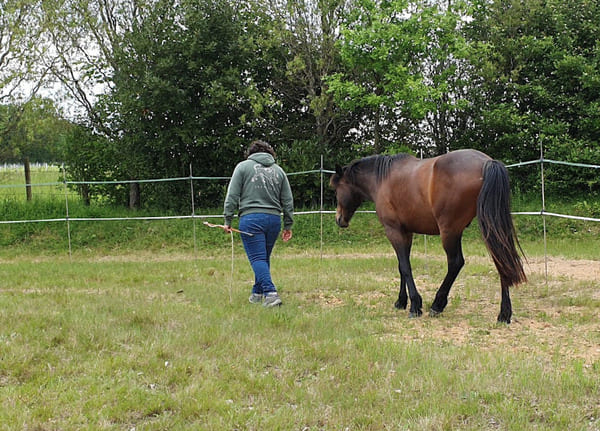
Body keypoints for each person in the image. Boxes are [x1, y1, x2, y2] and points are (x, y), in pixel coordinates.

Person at [223, 140, 294, 307]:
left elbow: (232, 195)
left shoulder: (242, 167)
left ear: (251, 153)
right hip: (274, 220)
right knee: (263, 258)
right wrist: (288, 224)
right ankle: (257, 293)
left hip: (251, 219)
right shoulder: (279, 171)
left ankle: (270, 293)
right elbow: (288, 201)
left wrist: (228, 219)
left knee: (257, 258)